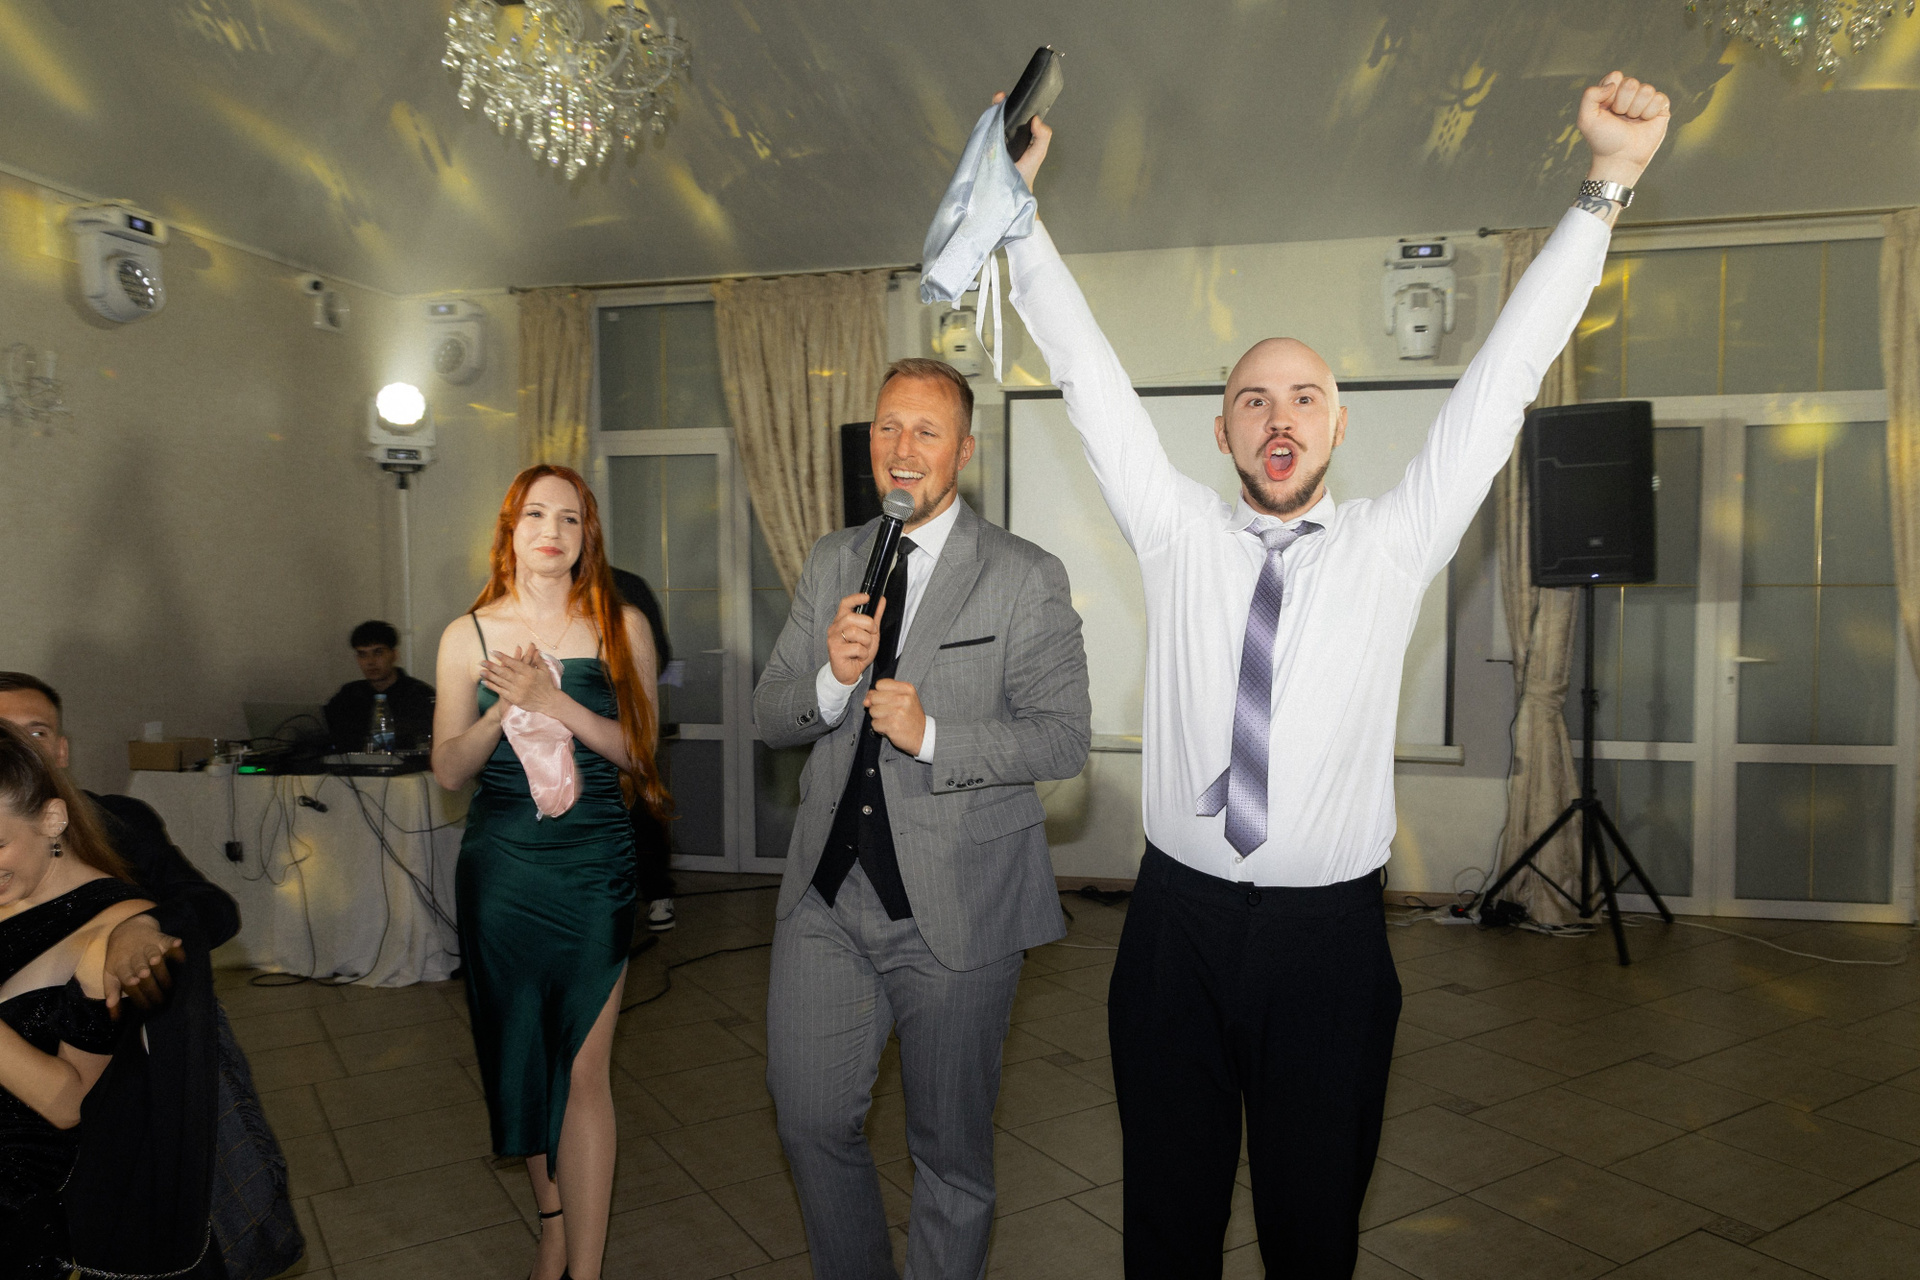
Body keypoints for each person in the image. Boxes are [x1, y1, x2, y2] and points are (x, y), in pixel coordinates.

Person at [1002, 73, 1671, 1275]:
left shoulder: (1392, 542)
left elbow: (1504, 375)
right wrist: (1016, 219)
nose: (1280, 417)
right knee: (1166, 1226)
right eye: (1253, 399)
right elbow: (1089, 374)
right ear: (1219, 431)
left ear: (1339, 425)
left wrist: (1606, 184)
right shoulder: (1176, 534)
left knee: (1314, 1232)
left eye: (1304, 398)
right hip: (1174, 931)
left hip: (1329, 946)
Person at [754, 357, 1091, 1278]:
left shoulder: (1024, 575)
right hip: (826, 899)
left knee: (949, 1153)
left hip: (961, 903)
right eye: (887, 428)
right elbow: (771, 712)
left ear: (964, 451)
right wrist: (831, 679)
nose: (902, 449)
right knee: (808, 1117)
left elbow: (1063, 739)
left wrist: (933, 734)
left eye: (926, 431)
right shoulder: (832, 559)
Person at [432, 465, 668, 1280]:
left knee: (584, 1069)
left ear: (586, 536)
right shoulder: (466, 636)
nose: (552, 532)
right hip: (502, 870)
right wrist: (504, 707)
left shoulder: (620, 626)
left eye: (570, 519)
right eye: (536, 514)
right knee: (524, 1055)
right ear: (511, 529)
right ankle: (555, 1225)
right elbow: (448, 770)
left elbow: (641, 755)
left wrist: (552, 698)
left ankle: (586, 1269)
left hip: (594, 864)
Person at [0, 718, 157, 1279]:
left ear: (52, 819)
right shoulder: (14, 890)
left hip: (18, 1191)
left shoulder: (117, 929)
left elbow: (70, 1103)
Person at [0, 673, 240, 1010]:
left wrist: (145, 925)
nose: (20, 749)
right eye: (4, 734)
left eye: (36, 733)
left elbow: (215, 908)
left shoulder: (117, 820)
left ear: (62, 750)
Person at [608, 569, 676, 932]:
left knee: (643, 807)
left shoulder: (627, 585)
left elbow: (660, 653)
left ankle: (658, 891)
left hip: (626, 716)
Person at [323, 620, 436, 751]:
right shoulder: (348, 696)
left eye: (378, 652)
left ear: (394, 655)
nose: (370, 662)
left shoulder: (420, 695)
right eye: (362, 654)